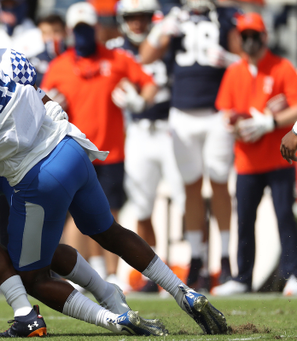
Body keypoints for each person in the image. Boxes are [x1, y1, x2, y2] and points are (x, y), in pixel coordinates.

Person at [0, 29, 228, 336]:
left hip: (37, 175)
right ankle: (185, 292)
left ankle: (114, 320)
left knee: (31, 276)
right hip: (67, 145)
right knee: (109, 231)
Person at [0, 5, 166, 336]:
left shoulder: (2, 57)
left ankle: (94, 295)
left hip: (11, 166)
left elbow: (39, 98)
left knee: (32, 255)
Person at [41, 1, 156, 290]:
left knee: (109, 213)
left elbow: (149, 83)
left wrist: (140, 101)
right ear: (69, 31)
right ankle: (87, 272)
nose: (82, 35)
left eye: (87, 29)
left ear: (96, 29)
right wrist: (50, 105)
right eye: (77, 29)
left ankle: (112, 272)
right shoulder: (60, 65)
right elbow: (37, 103)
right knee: (76, 215)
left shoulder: (117, 59)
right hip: (73, 152)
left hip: (110, 151)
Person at [140, 0, 242, 290]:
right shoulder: (173, 15)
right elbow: (146, 56)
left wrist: (231, 60)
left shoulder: (225, 15)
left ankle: (224, 259)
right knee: (190, 186)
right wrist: (159, 31)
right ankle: (196, 259)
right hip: (182, 113)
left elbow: (244, 58)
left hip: (216, 111)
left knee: (220, 182)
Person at [212, 12, 297, 296]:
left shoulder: (282, 67)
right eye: (244, 36)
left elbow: (296, 109)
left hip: (278, 157)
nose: (248, 42)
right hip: (247, 159)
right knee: (245, 219)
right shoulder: (234, 72)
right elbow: (226, 112)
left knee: (284, 215)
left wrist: (271, 122)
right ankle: (243, 277)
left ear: (264, 37)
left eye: (253, 36)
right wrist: (241, 125)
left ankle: (293, 274)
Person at [109, 0, 185, 292]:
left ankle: (192, 263)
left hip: (170, 126)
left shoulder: (168, 42)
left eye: (142, 17)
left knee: (182, 197)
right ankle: (152, 272)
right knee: (142, 204)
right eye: (132, 17)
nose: (137, 23)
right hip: (136, 130)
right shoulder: (115, 48)